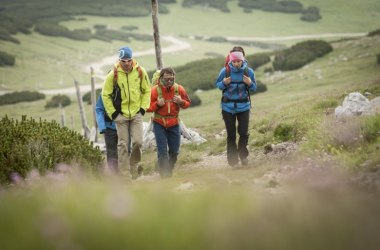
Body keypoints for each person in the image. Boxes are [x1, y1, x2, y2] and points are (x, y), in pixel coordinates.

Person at [102, 46, 151, 179]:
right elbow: (105, 95)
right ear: (119, 61)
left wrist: (142, 109)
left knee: (138, 142)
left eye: (128, 60)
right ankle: (125, 176)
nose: (126, 63)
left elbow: (147, 90)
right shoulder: (113, 74)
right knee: (122, 145)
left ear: (132, 59)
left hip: (136, 114)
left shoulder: (140, 71)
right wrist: (113, 114)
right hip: (120, 116)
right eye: (123, 61)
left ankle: (133, 165)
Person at [215, 49, 257, 167]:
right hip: (227, 107)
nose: (236, 64)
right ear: (231, 61)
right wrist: (223, 82)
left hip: (244, 107)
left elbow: (254, 88)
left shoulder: (249, 72)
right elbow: (218, 85)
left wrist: (249, 83)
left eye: (238, 61)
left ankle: (243, 156)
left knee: (243, 133)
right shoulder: (225, 71)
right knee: (231, 135)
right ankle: (233, 162)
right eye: (234, 61)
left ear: (242, 60)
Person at [147, 67, 191, 178]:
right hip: (159, 123)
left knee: (175, 151)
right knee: (162, 151)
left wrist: (181, 102)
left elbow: (187, 103)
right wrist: (157, 104)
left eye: (171, 78)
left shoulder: (179, 89)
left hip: (174, 123)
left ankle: (168, 170)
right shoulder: (154, 91)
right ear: (161, 78)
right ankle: (165, 175)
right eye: (166, 79)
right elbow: (147, 108)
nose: (169, 81)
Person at [95, 95, 118, 173]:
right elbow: (99, 109)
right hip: (109, 128)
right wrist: (102, 126)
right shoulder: (104, 93)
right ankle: (114, 176)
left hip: (124, 126)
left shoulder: (124, 87)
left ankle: (126, 173)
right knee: (111, 152)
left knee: (125, 150)